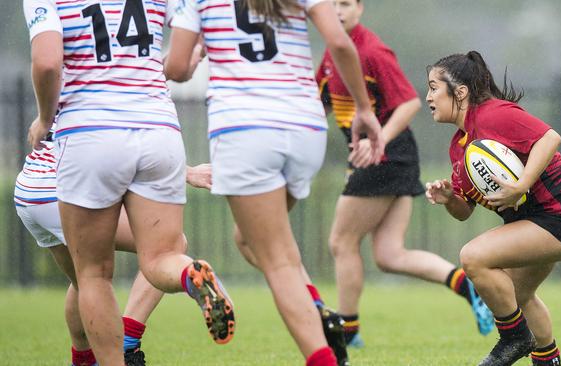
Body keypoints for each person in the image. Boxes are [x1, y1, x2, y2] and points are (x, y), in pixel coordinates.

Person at [164, 0, 384, 365]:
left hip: (244, 129)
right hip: (304, 127)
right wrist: (364, 109)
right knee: (249, 238)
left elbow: (176, 67)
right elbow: (342, 44)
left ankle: (323, 352)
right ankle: (314, 303)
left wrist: (203, 50)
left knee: (277, 260)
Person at [23, 1, 234, 365]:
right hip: (159, 130)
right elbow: (190, 48)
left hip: (89, 134)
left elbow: (46, 62)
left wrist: (45, 118)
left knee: (92, 275)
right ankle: (189, 274)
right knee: (165, 256)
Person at [314, 0, 494, 347]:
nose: (337, 10)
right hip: (387, 155)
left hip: (386, 154)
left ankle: (348, 332)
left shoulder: (372, 51)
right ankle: (468, 287)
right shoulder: (330, 54)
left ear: (359, 8)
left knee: (341, 241)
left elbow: (411, 103)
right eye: (330, 3)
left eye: (345, 3)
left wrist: (378, 138)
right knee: (390, 255)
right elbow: (317, 103)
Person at [424, 51, 561, 366]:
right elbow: (465, 213)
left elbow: (550, 137)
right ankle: (548, 360)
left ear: (460, 92)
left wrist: (521, 184)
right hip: (537, 222)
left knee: (473, 257)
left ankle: (515, 340)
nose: (428, 97)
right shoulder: (459, 145)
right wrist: (450, 198)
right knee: (515, 296)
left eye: (434, 88)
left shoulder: (493, 115)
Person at [14, 129, 212, 366]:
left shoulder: (68, 94)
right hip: (61, 191)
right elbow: (125, 152)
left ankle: (84, 360)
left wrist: (44, 118)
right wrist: (188, 173)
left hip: (29, 191)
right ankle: (127, 343)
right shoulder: (114, 98)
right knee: (170, 246)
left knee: (83, 279)